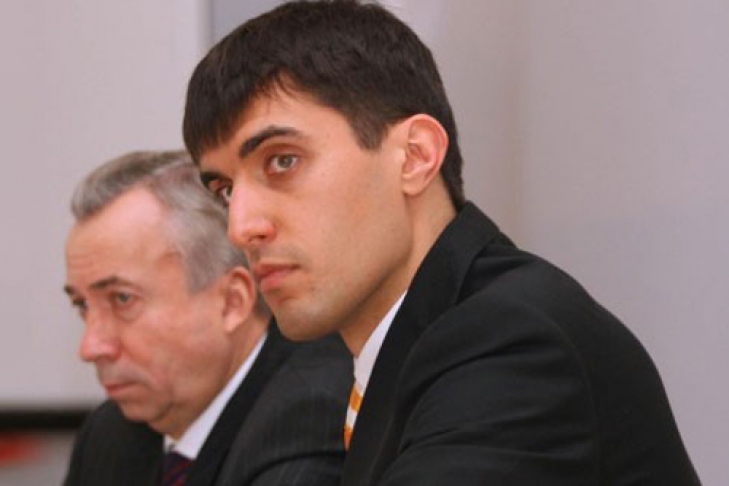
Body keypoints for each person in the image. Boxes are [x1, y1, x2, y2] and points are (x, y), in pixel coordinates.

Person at [182, 1, 701, 485]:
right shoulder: (407, 346)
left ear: (414, 157)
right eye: (225, 190)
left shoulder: (509, 341)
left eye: (282, 161)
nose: (240, 227)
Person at [62, 150, 351, 486]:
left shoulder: (311, 418)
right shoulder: (110, 434)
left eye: (122, 299)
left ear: (231, 302)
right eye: (82, 305)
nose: (91, 347)